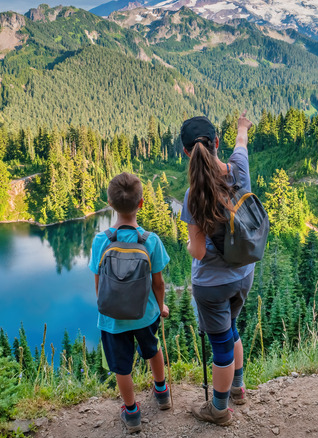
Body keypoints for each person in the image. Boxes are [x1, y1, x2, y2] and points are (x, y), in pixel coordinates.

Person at [180, 111, 254, 425]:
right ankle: (237, 388)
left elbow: (197, 251)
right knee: (232, 329)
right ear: (216, 143)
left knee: (221, 345)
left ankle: (219, 410)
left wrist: (186, 243)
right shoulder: (239, 170)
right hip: (243, 274)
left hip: (211, 285)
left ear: (186, 152)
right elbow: (242, 143)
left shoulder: (192, 196)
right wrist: (242, 126)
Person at [89, 172, 171, 433]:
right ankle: (162, 392)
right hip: (145, 314)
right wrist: (161, 306)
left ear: (110, 204)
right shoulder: (151, 241)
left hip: (112, 319)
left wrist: (106, 305)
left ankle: (132, 413)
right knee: (153, 349)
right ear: (141, 203)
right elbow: (158, 283)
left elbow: (99, 283)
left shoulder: (101, 241)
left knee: (121, 366)